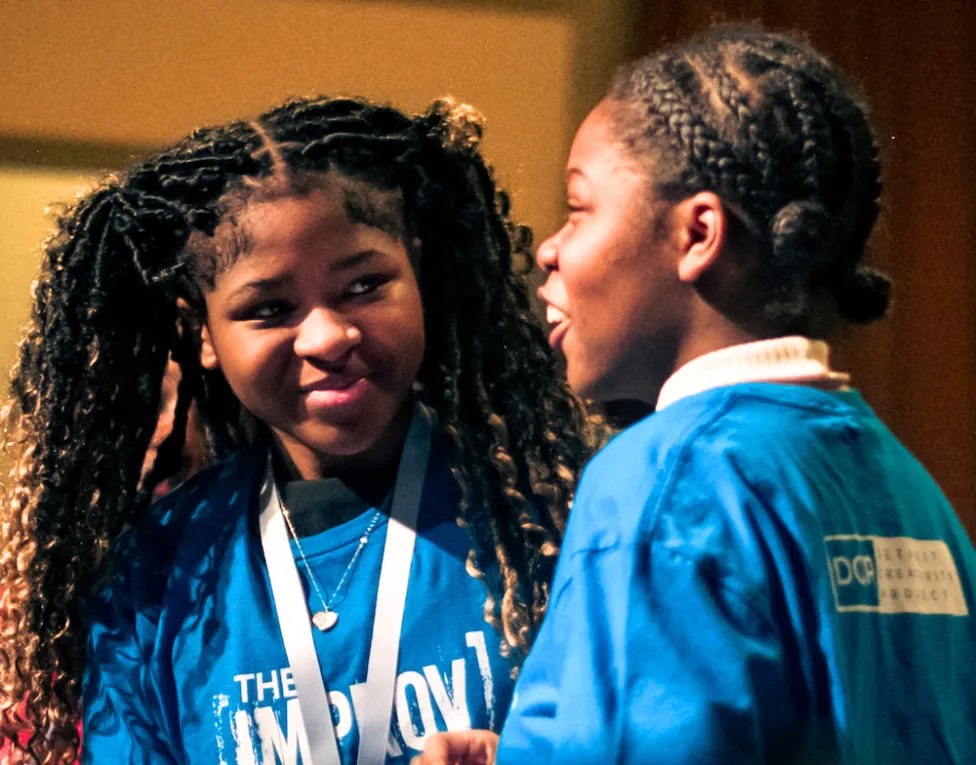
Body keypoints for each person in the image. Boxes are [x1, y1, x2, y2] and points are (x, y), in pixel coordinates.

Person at [415, 25, 976, 765]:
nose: (549, 247)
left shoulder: (661, 486)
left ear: (698, 233)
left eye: (578, 208)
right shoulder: (912, 495)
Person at [0, 94, 595, 764]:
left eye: (365, 285)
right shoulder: (160, 570)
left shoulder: (549, 517)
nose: (328, 335)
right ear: (200, 331)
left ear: (418, 272)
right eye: (271, 307)